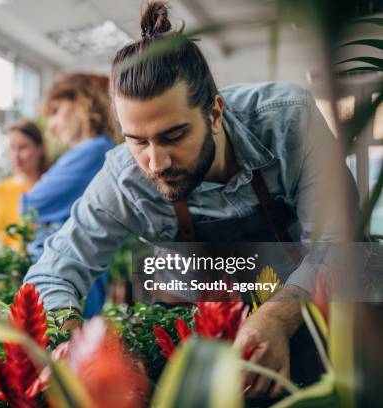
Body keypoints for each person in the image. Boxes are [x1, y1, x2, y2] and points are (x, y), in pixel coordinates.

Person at [24, 1, 359, 400]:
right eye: (138, 141)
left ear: (215, 113)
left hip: (321, 327)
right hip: (204, 350)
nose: (156, 162)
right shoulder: (123, 178)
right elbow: (52, 273)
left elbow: (339, 247)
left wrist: (279, 314)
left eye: (173, 136)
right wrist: (74, 346)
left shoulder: (287, 121)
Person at [20, 73, 118, 316]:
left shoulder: (94, 150)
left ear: (81, 104)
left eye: (56, 111)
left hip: (68, 273)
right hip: (65, 272)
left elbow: (31, 204)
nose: (51, 126)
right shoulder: (83, 152)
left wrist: (39, 187)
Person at [0, 119, 45, 248]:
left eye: (23, 147)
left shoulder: (48, 190)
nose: (16, 156)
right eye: (12, 148)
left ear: (40, 149)